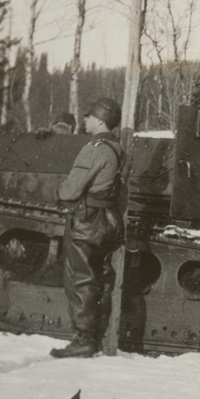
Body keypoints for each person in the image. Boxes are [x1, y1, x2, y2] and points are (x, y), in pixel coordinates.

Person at [51, 98, 125, 359]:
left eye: (89, 116)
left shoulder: (93, 148)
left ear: (101, 121)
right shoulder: (116, 148)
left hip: (86, 222)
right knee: (100, 280)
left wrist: (55, 191)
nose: (84, 120)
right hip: (108, 220)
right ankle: (96, 338)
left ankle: (82, 341)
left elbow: (71, 189)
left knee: (79, 279)